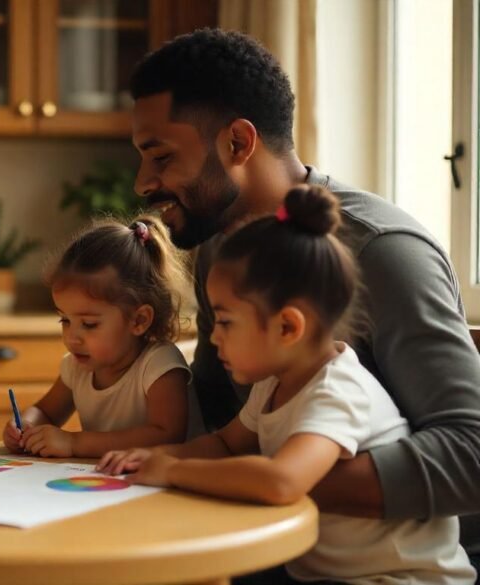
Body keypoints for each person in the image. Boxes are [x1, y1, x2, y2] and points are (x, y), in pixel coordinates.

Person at [126, 28, 480, 574]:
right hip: (280, 549)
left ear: (237, 144)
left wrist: (271, 483)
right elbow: (221, 420)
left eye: (162, 157)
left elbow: (472, 455)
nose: (143, 183)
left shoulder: (383, 253)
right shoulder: (223, 249)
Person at [99, 185, 475, 584]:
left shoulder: (338, 392)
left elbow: (282, 481)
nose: (213, 337)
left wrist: (174, 471)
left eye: (226, 322)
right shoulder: (276, 381)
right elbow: (226, 443)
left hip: (400, 578)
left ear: (288, 327)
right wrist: (152, 455)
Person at [2, 216, 192, 458]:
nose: (71, 337)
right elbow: (45, 412)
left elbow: (167, 435)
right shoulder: (76, 367)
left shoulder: (159, 365)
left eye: (89, 324)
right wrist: (26, 425)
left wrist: (74, 443)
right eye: (65, 320)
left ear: (139, 320)